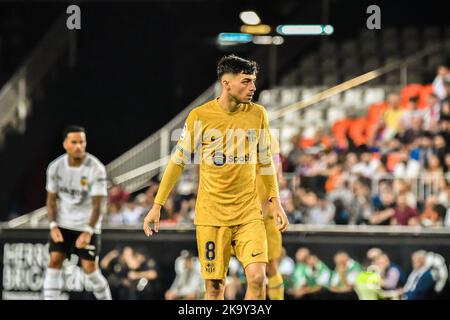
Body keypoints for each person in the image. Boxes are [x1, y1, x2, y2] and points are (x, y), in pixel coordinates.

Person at [143, 54, 289, 300]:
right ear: (226, 83)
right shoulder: (200, 117)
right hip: (212, 216)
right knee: (214, 288)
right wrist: (157, 205)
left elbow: (266, 162)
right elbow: (176, 163)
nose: (253, 87)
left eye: (253, 81)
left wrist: (276, 201)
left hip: (249, 215)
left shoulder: (258, 114)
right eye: (246, 81)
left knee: (257, 278)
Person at [43, 125, 112, 300]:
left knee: (90, 269)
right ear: (65, 144)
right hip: (62, 223)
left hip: (87, 225)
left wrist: (88, 231)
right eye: (74, 142)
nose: (78, 146)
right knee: (54, 261)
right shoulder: (55, 167)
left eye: (82, 142)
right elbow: (51, 199)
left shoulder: (96, 168)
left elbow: (99, 204)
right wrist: (53, 226)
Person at [257, 135, 285, 299]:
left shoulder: (267, 137)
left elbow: (276, 174)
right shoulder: (233, 134)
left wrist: (267, 204)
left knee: (271, 265)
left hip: (264, 213)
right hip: (241, 211)